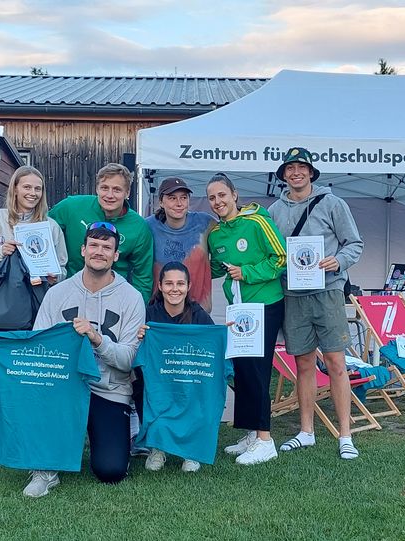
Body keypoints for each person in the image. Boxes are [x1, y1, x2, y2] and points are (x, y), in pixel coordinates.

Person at [0, 223, 145, 496]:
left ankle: (118, 433)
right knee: (40, 396)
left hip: (108, 389)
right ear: (83, 250)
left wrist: (97, 338)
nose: (99, 252)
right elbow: (36, 348)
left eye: (107, 247)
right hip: (62, 389)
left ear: (116, 255)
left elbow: (127, 359)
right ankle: (44, 470)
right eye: (94, 245)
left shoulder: (132, 298)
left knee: (110, 471)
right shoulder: (58, 293)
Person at [268, 147, 365, 460]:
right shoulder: (274, 212)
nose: (296, 173)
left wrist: (337, 261)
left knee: (336, 363)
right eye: (290, 168)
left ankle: (345, 435)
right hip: (293, 296)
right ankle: (306, 431)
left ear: (311, 172)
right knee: (304, 363)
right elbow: (273, 254)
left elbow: (355, 244)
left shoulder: (334, 204)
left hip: (328, 292)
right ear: (283, 175)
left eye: (301, 168)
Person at [205, 173, 286, 466]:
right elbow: (214, 267)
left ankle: (266, 440)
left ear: (234, 195)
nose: (218, 202)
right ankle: (253, 432)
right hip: (238, 309)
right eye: (212, 198)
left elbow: (280, 258)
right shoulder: (215, 234)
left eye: (222, 195)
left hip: (265, 304)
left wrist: (247, 272)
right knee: (243, 370)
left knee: (258, 370)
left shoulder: (257, 221)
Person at [134, 261, 216, 473]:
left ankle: (191, 450)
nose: (175, 288)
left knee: (200, 391)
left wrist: (224, 336)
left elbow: (212, 347)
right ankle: (157, 447)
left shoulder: (199, 316)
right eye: (169, 283)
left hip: (189, 379)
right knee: (144, 387)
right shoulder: (148, 314)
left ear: (188, 287)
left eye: (180, 283)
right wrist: (140, 337)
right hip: (160, 379)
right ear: (160, 286)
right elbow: (135, 351)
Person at [49, 163, 154, 304]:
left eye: (117, 190)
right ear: (96, 188)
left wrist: (138, 309)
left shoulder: (139, 227)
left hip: (112, 299)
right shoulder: (70, 207)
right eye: (104, 188)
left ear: (127, 193)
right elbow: (42, 231)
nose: (109, 195)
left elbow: (143, 276)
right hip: (68, 293)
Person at [0, 165, 66, 285]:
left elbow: (62, 267)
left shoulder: (51, 226)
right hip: (3, 298)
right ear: (15, 189)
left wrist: (56, 277)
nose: (32, 193)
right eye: (27, 187)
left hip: (39, 298)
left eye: (37, 189)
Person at [145, 177, 217, 313]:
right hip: (158, 311)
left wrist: (205, 272)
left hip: (198, 311)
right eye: (172, 198)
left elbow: (230, 235)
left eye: (184, 198)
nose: (179, 203)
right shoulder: (148, 226)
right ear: (161, 201)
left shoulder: (205, 223)